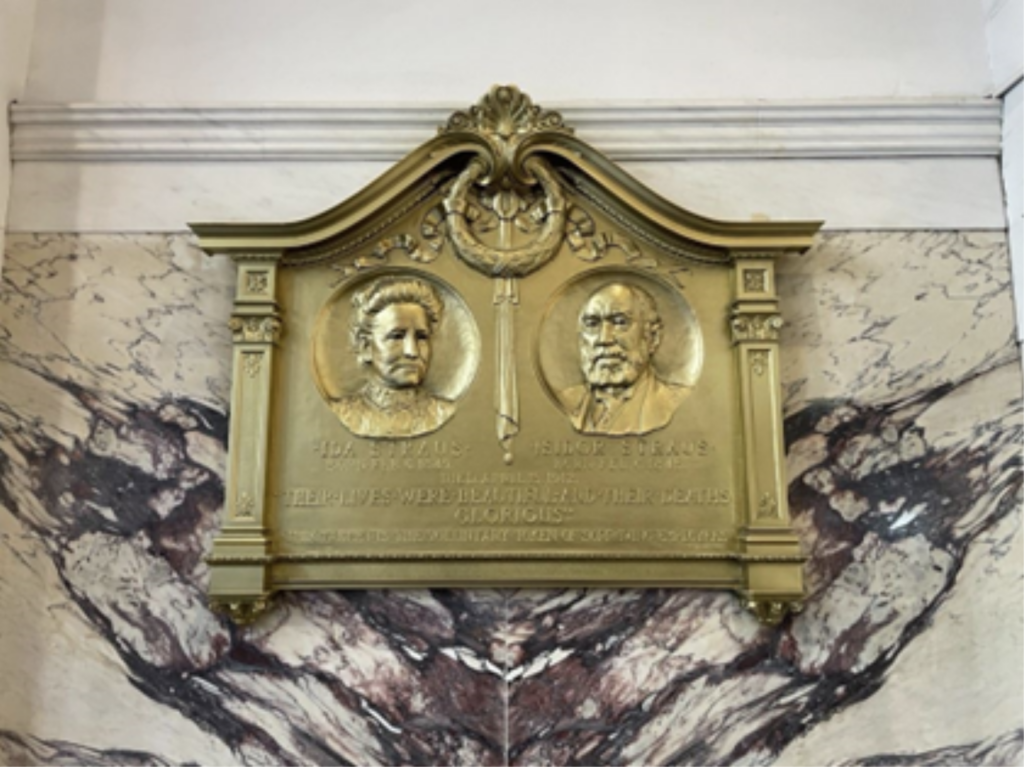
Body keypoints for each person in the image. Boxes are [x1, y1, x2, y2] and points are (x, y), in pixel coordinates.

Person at [559, 282, 688, 436]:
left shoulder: (679, 403)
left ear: (653, 337)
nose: (604, 339)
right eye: (592, 324)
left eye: (620, 322)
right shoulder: (564, 402)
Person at [332, 276, 455, 438]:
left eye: (421, 337)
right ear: (365, 347)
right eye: (396, 336)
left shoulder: (443, 412)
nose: (412, 351)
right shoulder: (344, 413)